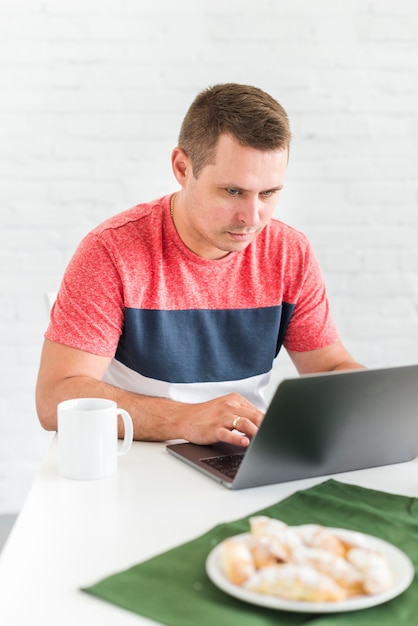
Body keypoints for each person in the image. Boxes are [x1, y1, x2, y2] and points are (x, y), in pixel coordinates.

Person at [36, 83, 363, 448]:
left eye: (268, 193)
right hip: (136, 457)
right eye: (233, 192)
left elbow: (331, 368)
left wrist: (373, 401)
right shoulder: (112, 250)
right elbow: (55, 399)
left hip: (240, 454)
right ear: (182, 167)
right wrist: (185, 419)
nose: (252, 218)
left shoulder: (289, 251)